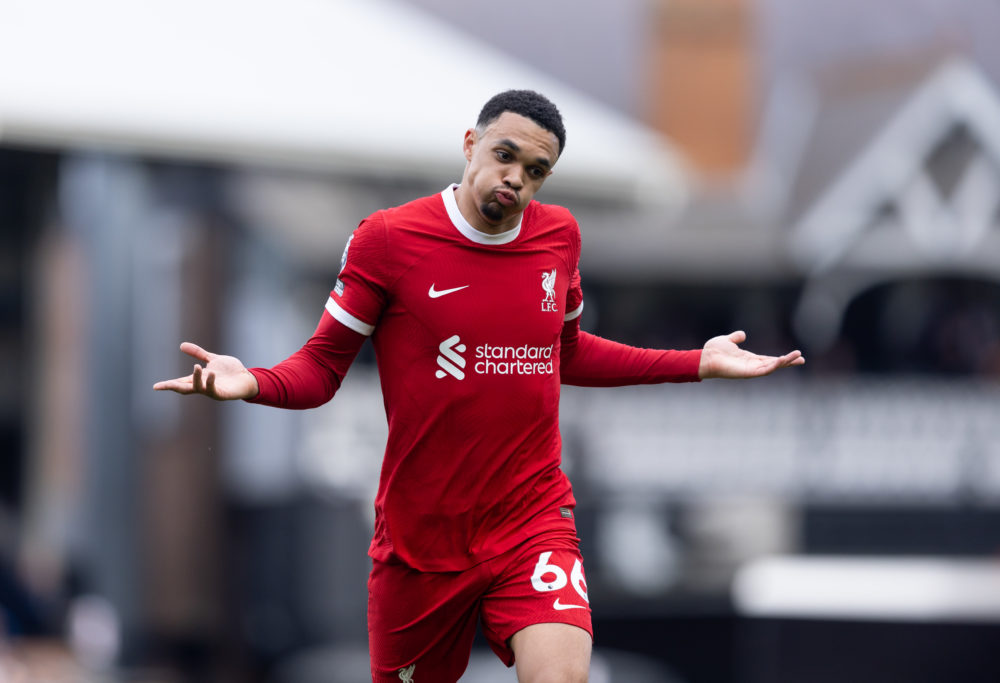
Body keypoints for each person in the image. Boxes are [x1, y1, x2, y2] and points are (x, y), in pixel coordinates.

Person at [154, 90, 804, 683]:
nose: (515, 178)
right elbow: (322, 368)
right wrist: (251, 382)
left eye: (535, 169)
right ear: (471, 145)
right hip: (422, 540)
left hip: (532, 518)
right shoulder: (389, 239)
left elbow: (567, 353)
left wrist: (695, 361)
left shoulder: (558, 238)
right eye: (505, 155)